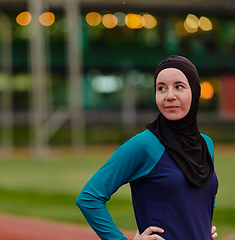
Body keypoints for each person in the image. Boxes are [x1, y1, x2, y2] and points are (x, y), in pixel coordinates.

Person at [76, 55, 219, 240]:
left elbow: (202, 194)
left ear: (195, 91)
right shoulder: (144, 145)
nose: (169, 96)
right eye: (161, 88)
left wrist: (201, 225)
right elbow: (89, 198)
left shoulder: (206, 144)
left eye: (179, 86)